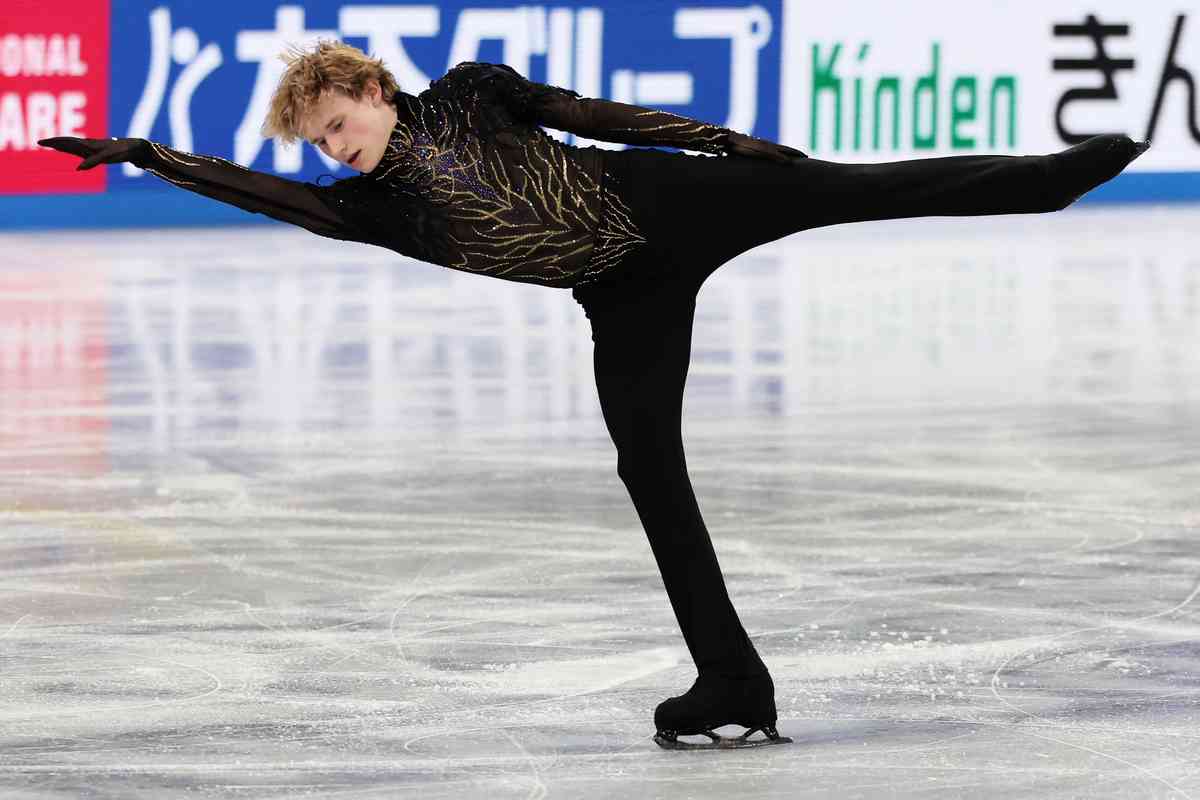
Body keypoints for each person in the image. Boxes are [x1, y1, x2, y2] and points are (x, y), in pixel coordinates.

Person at [39, 39, 1149, 751]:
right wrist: (148, 153)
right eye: (322, 141)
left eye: (338, 124)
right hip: (622, 292)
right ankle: (732, 678)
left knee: (849, 189)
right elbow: (266, 195)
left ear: (371, 89)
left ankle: (1047, 180)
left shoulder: (471, 91)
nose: (335, 150)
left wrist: (722, 143)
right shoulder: (376, 209)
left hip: (667, 200)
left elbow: (596, 113)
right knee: (648, 470)